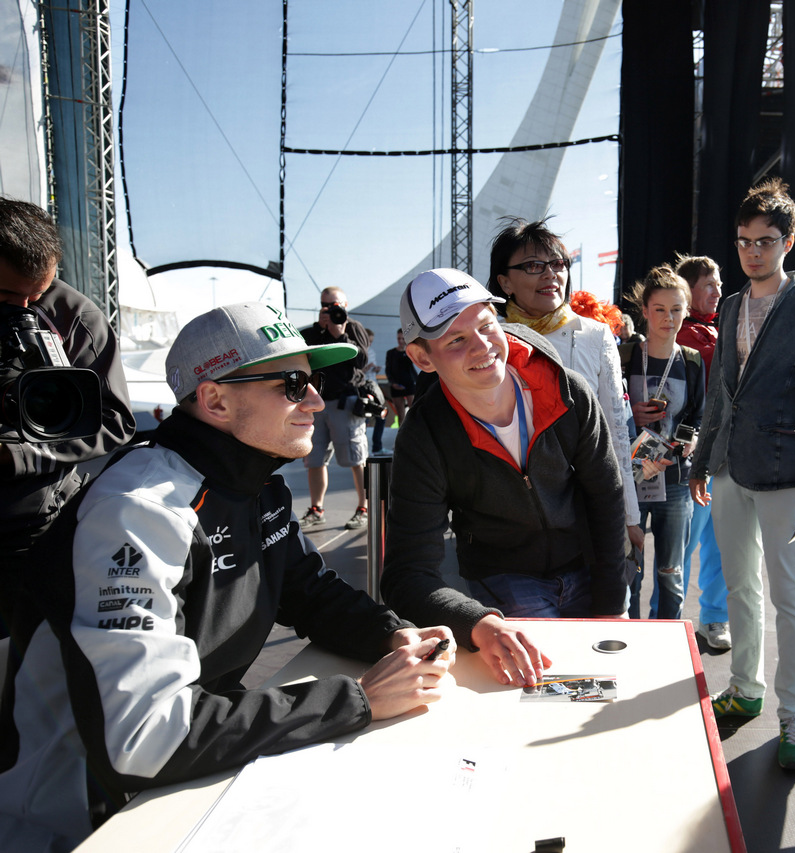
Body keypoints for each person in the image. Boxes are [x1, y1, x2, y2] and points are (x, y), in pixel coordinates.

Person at [0, 302, 454, 851]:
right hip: (85, 822)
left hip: (192, 773)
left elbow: (307, 590)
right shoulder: (139, 510)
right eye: (291, 384)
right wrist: (356, 699)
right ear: (214, 399)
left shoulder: (252, 478)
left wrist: (392, 633)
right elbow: (143, 740)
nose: (315, 400)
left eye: (314, 382)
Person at [382, 268, 629, 685]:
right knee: (549, 689)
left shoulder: (568, 391)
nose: (482, 347)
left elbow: (606, 496)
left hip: (586, 564)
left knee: (608, 687)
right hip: (504, 579)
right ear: (422, 358)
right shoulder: (424, 437)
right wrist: (479, 622)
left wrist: (611, 602)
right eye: (456, 339)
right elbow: (407, 575)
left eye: (486, 325)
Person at [689, 178, 795, 771]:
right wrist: (701, 460)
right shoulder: (730, 305)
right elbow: (719, 396)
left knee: (790, 598)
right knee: (740, 588)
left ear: (788, 241)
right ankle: (745, 687)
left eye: (764, 240)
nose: (752, 251)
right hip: (731, 467)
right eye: (743, 241)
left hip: (789, 472)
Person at [0, 197, 135, 639]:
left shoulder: (77, 319)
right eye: (7, 295)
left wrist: (20, 456)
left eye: (36, 293)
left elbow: (115, 421)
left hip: (32, 531)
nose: (22, 306)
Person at [486, 218, 644, 558]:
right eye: (533, 265)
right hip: (513, 515)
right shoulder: (489, 339)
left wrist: (629, 515)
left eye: (558, 264)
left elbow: (616, 429)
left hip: (590, 505)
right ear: (504, 281)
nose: (550, 274)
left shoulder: (595, 334)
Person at [620, 265, 703, 620]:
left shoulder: (691, 360)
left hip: (675, 479)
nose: (668, 318)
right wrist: (631, 417)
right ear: (644, 311)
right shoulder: (624, 355)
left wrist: (691, 440)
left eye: (676, 310)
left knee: (671, 572)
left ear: (686, 311)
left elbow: (698, 414)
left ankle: (668, 641)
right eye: (659, 309)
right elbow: (606, 411)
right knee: (630, 572)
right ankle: (632, 638)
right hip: (632, 479)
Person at [674, 254, 730, 649]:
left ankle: (715, 619)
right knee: (685, 542)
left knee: (721, 540)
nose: (718, 292)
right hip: (692, 452)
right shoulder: (679, 332)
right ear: (688, 289)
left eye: (719, 284)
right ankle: (672, 622)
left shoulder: (722, 328)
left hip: (726, 452)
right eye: (709, 284)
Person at [299, 286, 371, 530]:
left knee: (355, 458)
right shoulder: (313, 332)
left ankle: (364, 507)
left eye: (335, 305)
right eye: (325, 305)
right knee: (315, 458)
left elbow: (361, 361)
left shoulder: (353, 328)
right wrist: (322, 330)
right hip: (316, 404)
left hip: (344, 402)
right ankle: (316, 508)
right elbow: (304, 360)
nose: (330, 309)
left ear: (345, 305)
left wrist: (340, 334)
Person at [382, 327, 418, 449]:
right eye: (399, 338)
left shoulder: (409, 352)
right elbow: (388, 370)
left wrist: (417, 382)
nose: (401, 341)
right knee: (400, 414)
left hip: (409, 384)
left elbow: (412, 370)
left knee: (413, 412)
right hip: (396, 385)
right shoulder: (391, 353)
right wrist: (392, 383)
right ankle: (401, 441)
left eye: (403, 338)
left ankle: (414, 438)